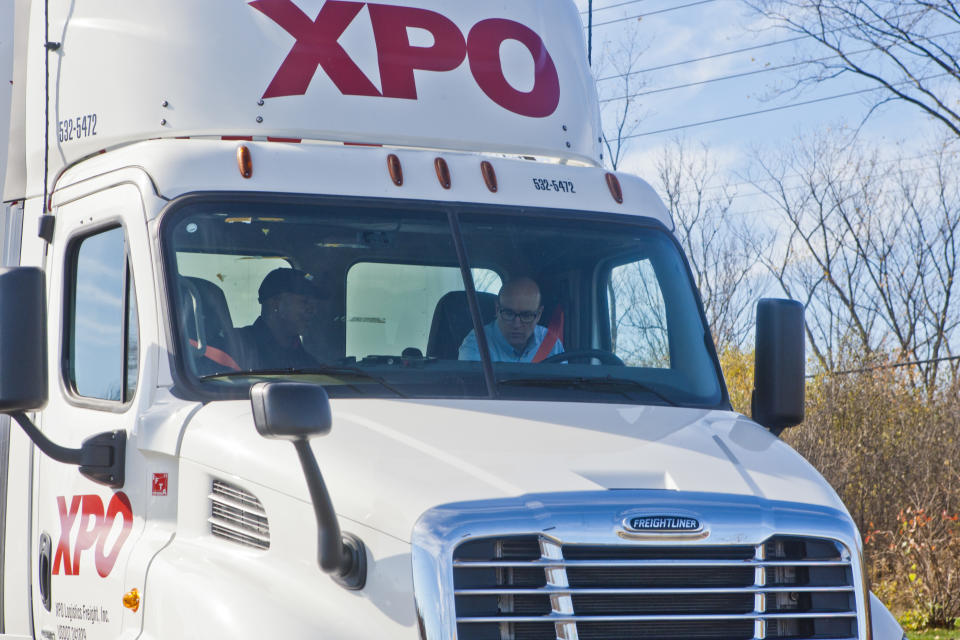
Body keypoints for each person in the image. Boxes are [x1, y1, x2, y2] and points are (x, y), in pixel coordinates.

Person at [459, 277, 563, 362]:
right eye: (508, 313)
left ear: (539, 314)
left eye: (526, 316)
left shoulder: (551, 344)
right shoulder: (477, 344)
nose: (516, 325)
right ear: (497, 309)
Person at [237, 267, 323, 370]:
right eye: (304, 302)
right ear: (275, 304)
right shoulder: (237, 346)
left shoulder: (308, 361)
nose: (313, 310)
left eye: (314, 305)